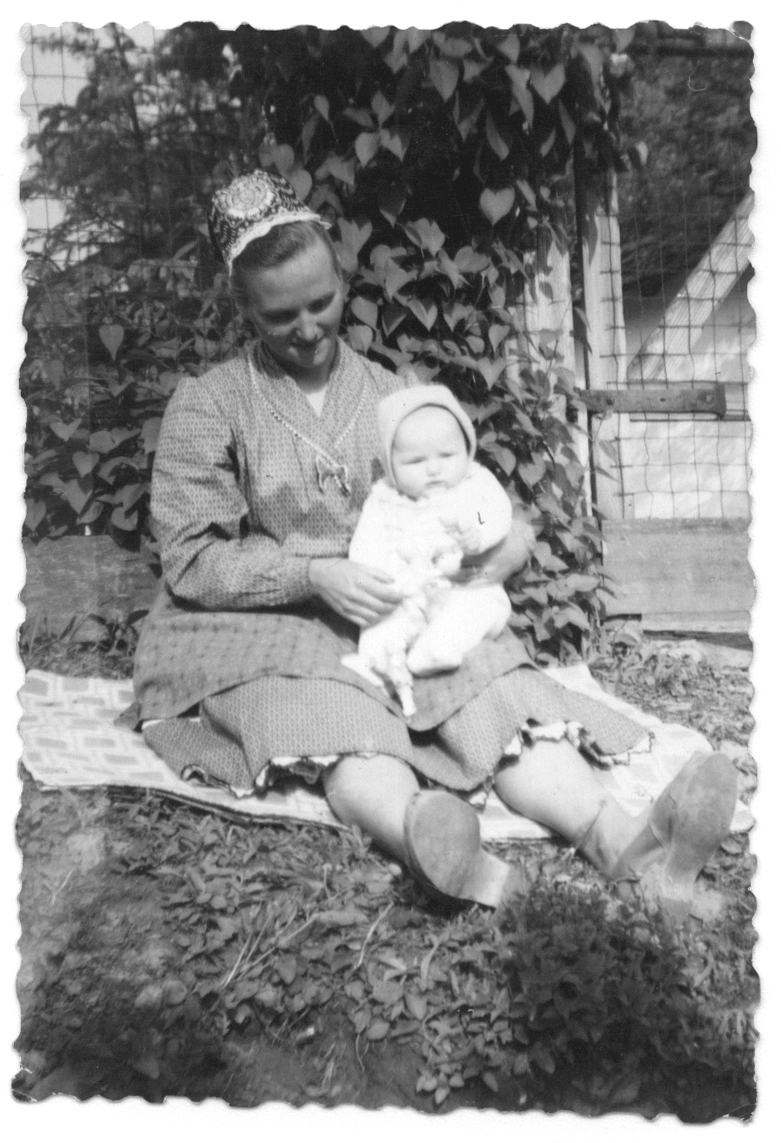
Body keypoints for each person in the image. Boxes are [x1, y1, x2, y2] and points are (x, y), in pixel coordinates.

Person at [131, 169, 737, 918]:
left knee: (489, 691)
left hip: (403, 606)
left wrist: (505, 543)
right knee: (338, 721)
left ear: (342, 281)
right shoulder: (211, 404)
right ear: (243, 308)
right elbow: (192, 557)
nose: (309, 328)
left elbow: (467, 493)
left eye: (321, 303)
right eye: (281, 315)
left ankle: (627, 846)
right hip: (277, 618)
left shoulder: (395, 395)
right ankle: (443, 848)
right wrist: (313, 575)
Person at [342, 385, 522, 717]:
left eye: (446, 456)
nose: (434, 469)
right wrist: (381, 578)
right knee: (381, 624)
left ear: (466, 451)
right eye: (415, 461)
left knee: (479, 609)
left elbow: (496, 512)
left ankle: (438, 648)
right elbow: (367, 544)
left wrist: (478, 534)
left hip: (463, 587)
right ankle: (378, 664)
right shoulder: (384, 499)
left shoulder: (474, 484)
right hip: (407, 592)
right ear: (390, 466)